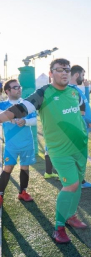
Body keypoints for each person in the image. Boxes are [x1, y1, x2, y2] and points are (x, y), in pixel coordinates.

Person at [0, 58, 88, 243]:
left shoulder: (74, 92)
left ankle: (71, 216)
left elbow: (81, 108)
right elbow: (19, 109)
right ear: (51, 73)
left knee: (77, 183)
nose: (64, 72)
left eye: (67, 69)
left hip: (80, 147)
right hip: (60, 150)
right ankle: (59, 227)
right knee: (70, 184)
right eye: (59, 70)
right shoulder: (43, 93)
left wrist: (80, 127)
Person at [0, 79, 37, 207]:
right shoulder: (3, 105)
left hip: (27, 142)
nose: (19, 89)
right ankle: (0, 194)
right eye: (15, 87)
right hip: (11, 145)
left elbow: (35, 120)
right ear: (7, 91)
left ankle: (23, 192)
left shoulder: (26, 104)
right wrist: (8, 116)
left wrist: (25, 122)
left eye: (19, 86)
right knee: (8, 168)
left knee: (25, 167)